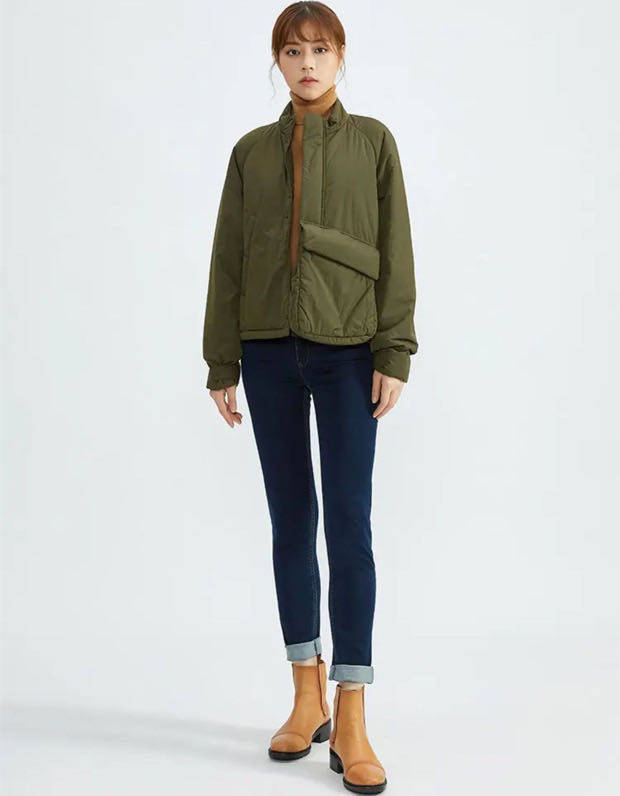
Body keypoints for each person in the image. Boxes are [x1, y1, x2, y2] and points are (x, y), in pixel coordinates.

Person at [202, 3, 417, 792]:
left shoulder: (373, 143)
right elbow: (227, 257)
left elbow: (396, 248)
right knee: (291, 523)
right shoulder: (250, 153)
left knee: (349, 527)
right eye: (292, 51)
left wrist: (394, 349)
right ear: (278, 62)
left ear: (341, 56)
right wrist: (221, 360)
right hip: (265, 352)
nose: (306, 63)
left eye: (319, 49)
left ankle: (352, 713)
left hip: (349, 351)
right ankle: (306, 697)